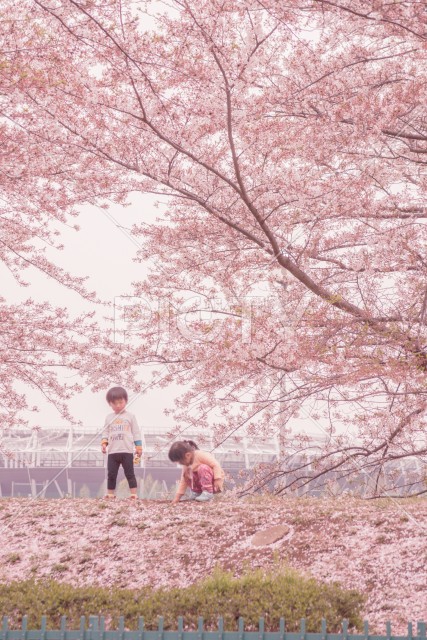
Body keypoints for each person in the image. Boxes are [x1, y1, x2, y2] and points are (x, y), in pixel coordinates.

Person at [101, 386, 142, 501]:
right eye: (114, 403)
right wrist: (104, 444)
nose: (118, 405)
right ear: (110, 404)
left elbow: (136, 432)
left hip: (127, 450)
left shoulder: (130, 416)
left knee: (130, 473)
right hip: (113, 451)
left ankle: (133, 494)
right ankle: (110, 494)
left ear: (126, 401)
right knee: (111, 474)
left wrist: (139, 447)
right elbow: (105, 432)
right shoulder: (109, 417)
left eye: (120, 402)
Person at [168, 440, 225, 504]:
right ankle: (197, 492)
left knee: (202, 468)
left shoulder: (201, 455)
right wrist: (177, 498)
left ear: (187, 455)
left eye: (180, 462)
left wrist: (217, 479)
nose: (180, 464)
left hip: (213, 483)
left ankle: (207, 492)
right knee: (186, 473)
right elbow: (183, 480)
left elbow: (216, 465)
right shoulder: (186, 465)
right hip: (201, 484)